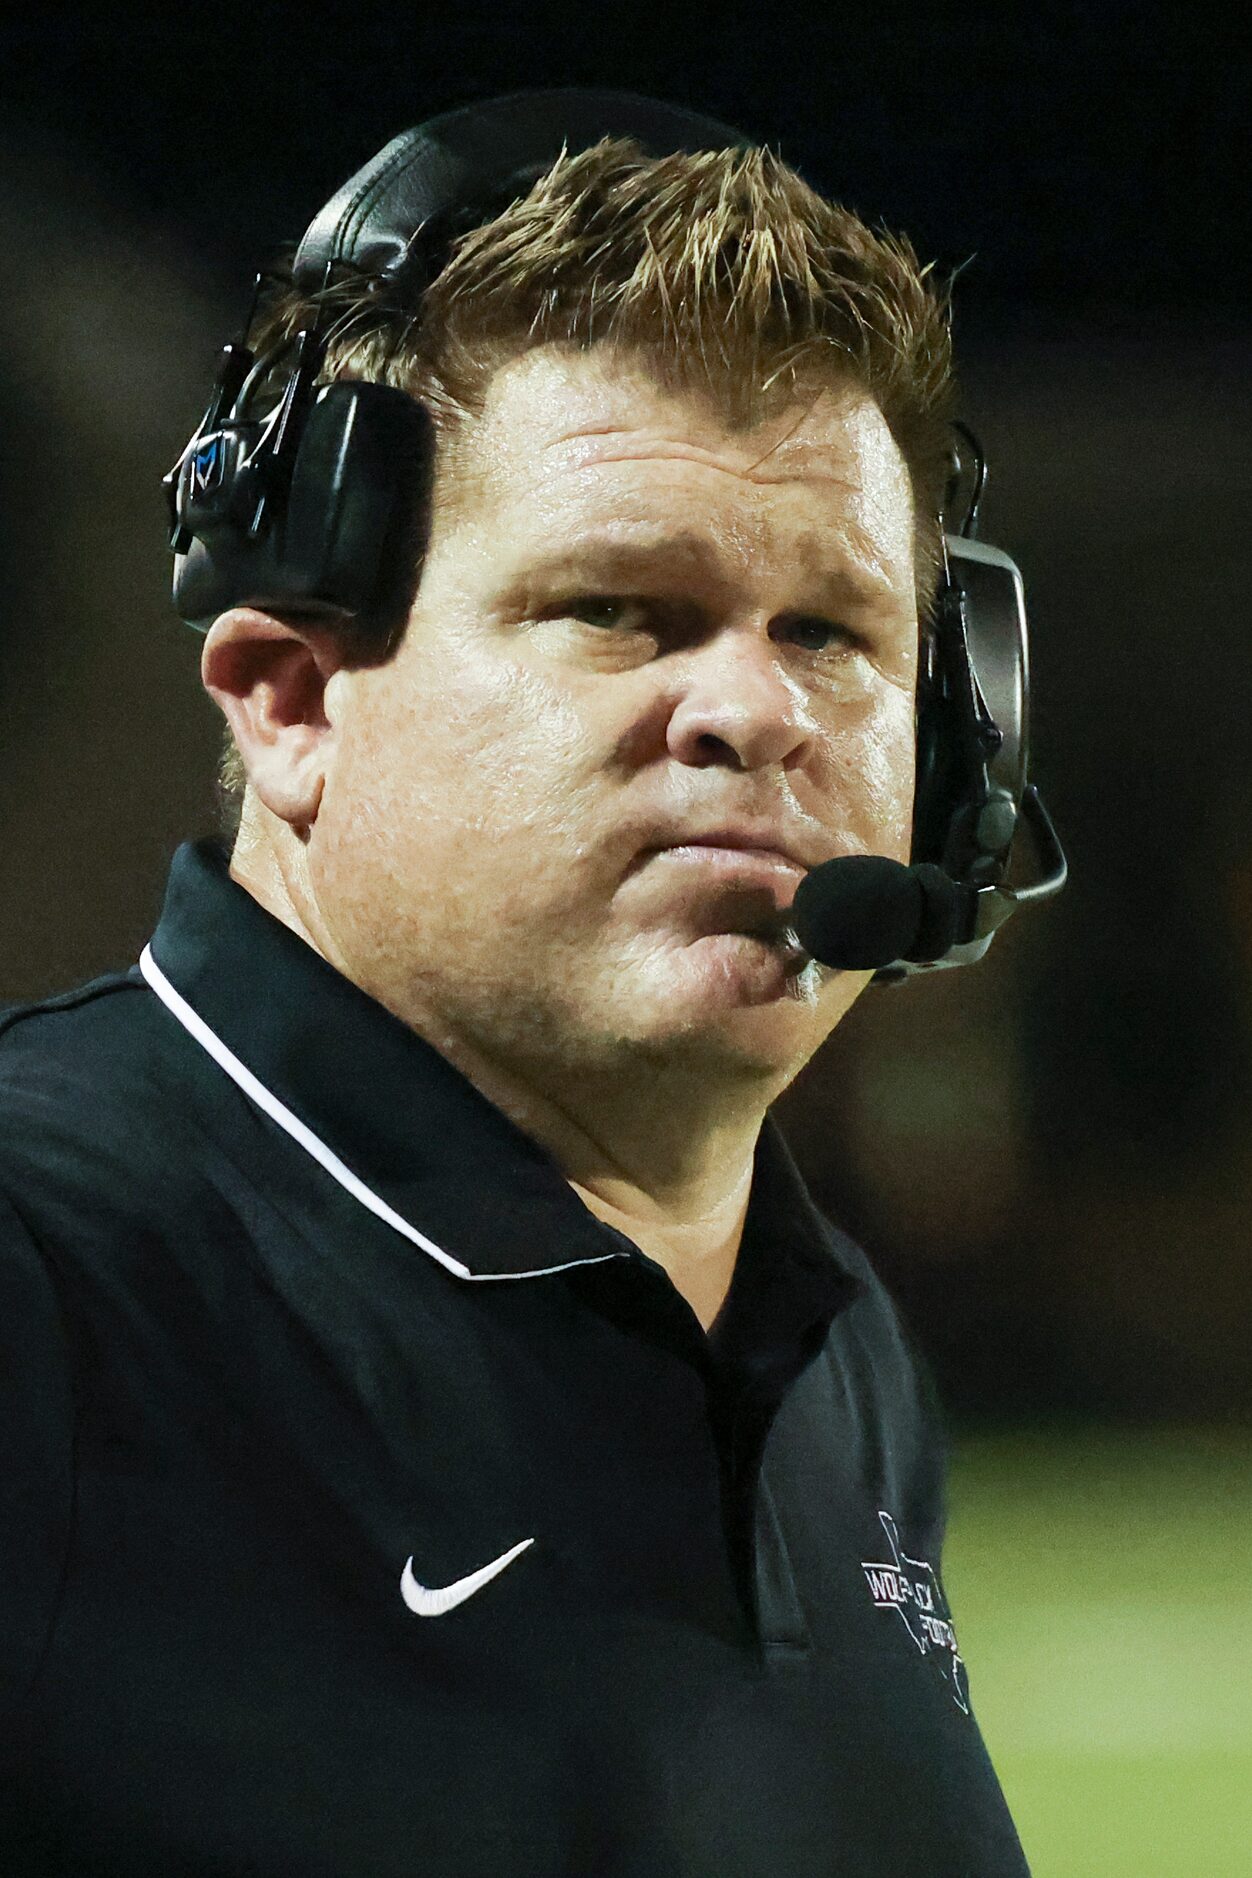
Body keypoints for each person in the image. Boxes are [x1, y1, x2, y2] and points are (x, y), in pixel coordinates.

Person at [0, 111, 1031, 1874]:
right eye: (623, 608)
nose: (758, 710)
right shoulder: (46, 1271)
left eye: (833, 634)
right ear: (291, 698)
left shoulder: (825, 1340)